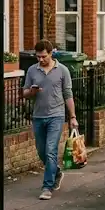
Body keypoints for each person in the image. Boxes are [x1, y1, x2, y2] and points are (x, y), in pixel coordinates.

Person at [22, 40, 78, 200]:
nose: (40, 59)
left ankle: (47, 187)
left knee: (50, 150)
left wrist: (72, 117)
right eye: (38, 57)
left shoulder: (62, 70)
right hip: (38, 116)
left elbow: (68, 94)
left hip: (56, 116)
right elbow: (24, 92)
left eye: (43, 56)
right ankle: (56, 172)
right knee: (42, 152)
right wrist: (31, 92)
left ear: (51, 53)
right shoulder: (32, 70)